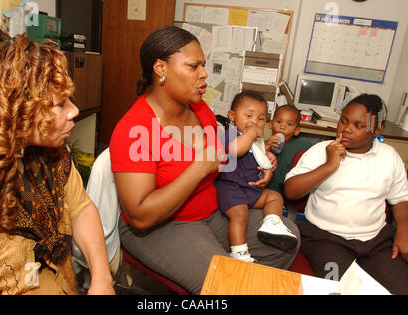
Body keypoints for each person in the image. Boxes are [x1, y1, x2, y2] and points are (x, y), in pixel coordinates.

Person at [109, 25, 300, 294]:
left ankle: (245, 283)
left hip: (212, 212)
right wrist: (198, 169)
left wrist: (258, 162)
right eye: (193, 66)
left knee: (288, 235)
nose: (204, 74)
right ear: (160, 68)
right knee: (226, 285)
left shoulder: (199, 109)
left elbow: (224, 158)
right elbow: (140, 216)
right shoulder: (134, 129)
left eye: (204, 65)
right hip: (163, 227)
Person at [0, 26, 114, 295]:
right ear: (10, 113)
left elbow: (82, 209)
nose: (75, 110)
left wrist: (102, 278)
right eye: (60, 104)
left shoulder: (50, 156)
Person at [285, 94, 408, 294]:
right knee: (339, 289)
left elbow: (401, 199)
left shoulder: (389, 157)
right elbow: (291, 191)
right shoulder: (321, 150)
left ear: (377, 130)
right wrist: (329, 165)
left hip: (375, 241)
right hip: (325, 239)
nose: (346, 129)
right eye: (344, 121)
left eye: (358, 125)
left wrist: (404, 228)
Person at [215, 91, 298, 262]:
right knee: (240, 215)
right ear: (232, 116)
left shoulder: (257, 141)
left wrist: (268, 159)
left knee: (275, 197)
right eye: (249, 115)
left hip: (250, 189)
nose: (254, 121)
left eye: (260, 119)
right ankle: (240, 254)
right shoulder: (228, 133)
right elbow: (235, 151)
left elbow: (260, 158)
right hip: (231, 189)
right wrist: (252, 132)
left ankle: (272, 223)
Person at [265, 105, 315, 195]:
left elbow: (321, 148)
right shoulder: (263, 144)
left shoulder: (302, 145)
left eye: (289, 124)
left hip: (288, 194)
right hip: (265, 192)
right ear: (270, 124)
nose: (282, 127)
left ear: (296, 131)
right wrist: (266, 147)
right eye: (279, 121)